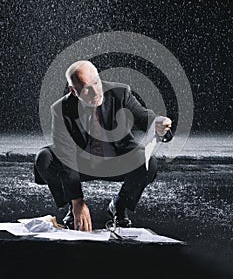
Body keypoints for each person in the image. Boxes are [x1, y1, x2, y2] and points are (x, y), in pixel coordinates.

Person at [34, 60, 172, 231]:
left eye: (97, 83)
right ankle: (72, 207)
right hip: (79, 164)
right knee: (44, 158)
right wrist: (77, 200)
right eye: (86, 88)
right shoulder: (60, 109)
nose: (96, 92)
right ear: (73, 91)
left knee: (148, 162)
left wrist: (160, 125)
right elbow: (65, 156)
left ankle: (119, 205)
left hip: (115, 160)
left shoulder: (120, 93)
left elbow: (145, 118)